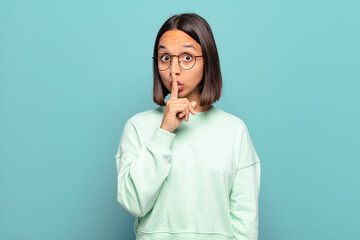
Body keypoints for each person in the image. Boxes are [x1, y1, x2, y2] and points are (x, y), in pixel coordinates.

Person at [115, 12, 261, 240]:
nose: (174, 69)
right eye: (165, 58)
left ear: (208, 60)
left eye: (186, 57)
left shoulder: (234, 130)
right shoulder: (138, 127)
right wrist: (164, 131)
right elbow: (134, 202)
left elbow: (245, 222)